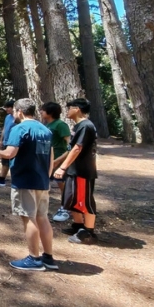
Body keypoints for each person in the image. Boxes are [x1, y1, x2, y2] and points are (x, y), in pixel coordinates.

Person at [0, 99, 57, 271]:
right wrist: (47, 177)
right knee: (42, 217)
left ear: (20, 111)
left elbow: (10, 152)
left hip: (25, 180)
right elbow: (51, 157)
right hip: (42, 181)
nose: (13, 114)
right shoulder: (45, 130)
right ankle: (48, 257)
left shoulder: (19, 128)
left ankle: (34, 258)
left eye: (14, 111)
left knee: (29, 218)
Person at [54, 98, 98, 245]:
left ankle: (88, 232)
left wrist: (62, 167)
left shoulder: (86, 126)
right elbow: (71, 148)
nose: (67, 111)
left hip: (82, 171)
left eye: (69, 108)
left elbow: (77, 148)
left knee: (84, 201)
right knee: (72, 199)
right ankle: (78, 226)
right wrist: (58, 162)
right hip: (73, 170)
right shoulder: (78, 126)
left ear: (77, 109)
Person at [41, 102, 72, 222]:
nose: (41, 112)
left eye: (43, 110)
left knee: (62, 184)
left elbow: (71, 147)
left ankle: (66, 207)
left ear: (50, 112)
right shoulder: (47, 125)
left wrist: (58, 161)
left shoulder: (60, 125)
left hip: (59, 160)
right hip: (48, 159)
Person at [0, 100, 15, 187]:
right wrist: (1, 140)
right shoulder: (7, 117)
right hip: (5, 142)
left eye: (8, 107)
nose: (6, 109)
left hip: (13, 143)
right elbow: (4, 128)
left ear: (13, 108)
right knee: (4, 161)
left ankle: (15, 180)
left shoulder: (17, 118)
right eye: (6, 107)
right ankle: (2, 179)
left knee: (13, 162)